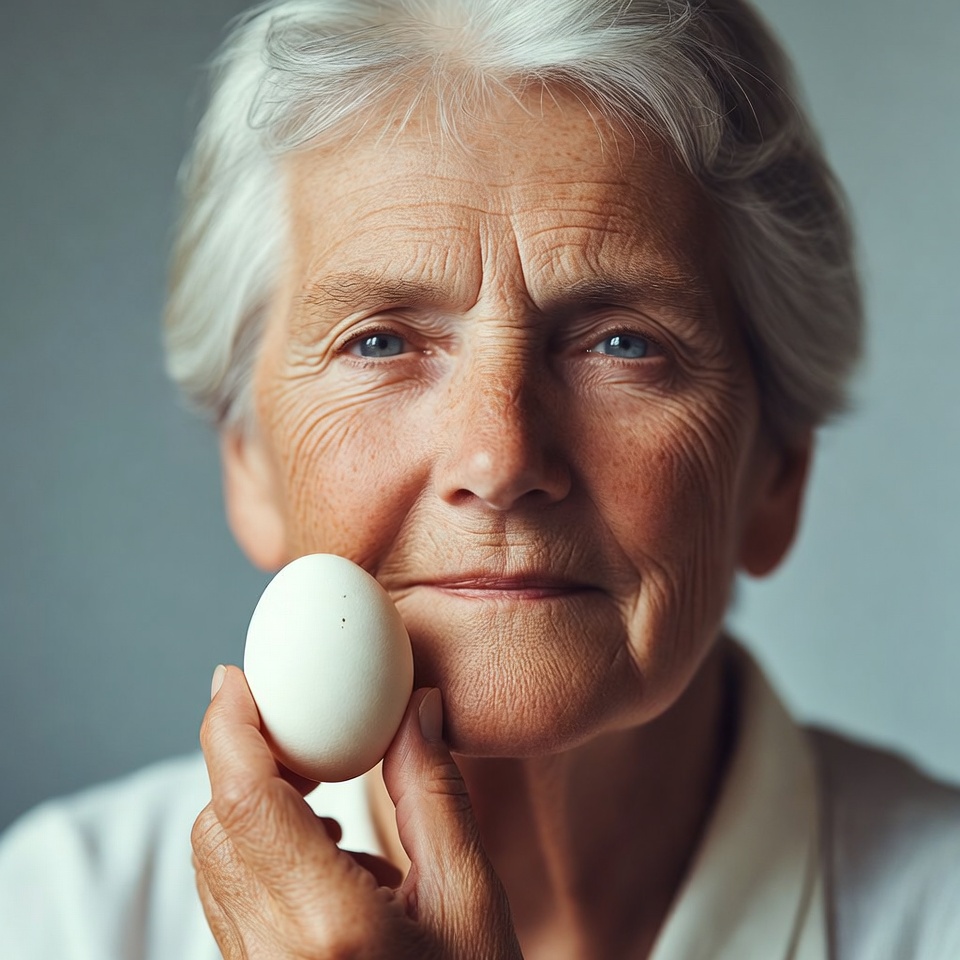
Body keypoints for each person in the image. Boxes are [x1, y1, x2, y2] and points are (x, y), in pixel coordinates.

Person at [1, 1, 958, 957]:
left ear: (778, 470)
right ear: (246, 460)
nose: (499, 461)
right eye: (380, 342)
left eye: (624, 344)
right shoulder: (54, 920)